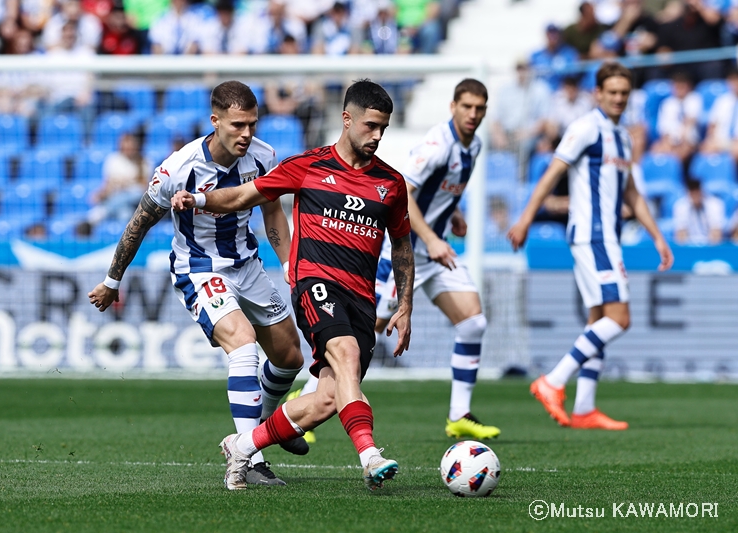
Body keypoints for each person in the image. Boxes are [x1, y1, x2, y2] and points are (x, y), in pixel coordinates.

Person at [171, 79, 415, 491]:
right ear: (347, 119)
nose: (377, 136)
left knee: (328, 399)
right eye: (370, 126)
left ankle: (243, 445)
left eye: (383, 129)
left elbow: (403, 246)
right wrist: (198, 199)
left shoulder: (390, 183)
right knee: (346, 354)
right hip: (315, 284)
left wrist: (405, 305)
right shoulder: (308, 166)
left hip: (361, 297)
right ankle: (370, 455)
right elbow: (243, 196)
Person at [88, 81, 307, 486]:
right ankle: (248, 458)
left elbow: (273, 211)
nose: (247, 133)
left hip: (247, 265)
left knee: (291, 357)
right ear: (215, 121)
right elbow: (139, 222)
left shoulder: (264, 156)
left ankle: (266, 427)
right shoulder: (178, 168)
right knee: (243, 345)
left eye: (252, 124)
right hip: (200, 269)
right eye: (238, 125)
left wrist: (288, 263)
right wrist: (111, 280)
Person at [288, 79, 501, 443]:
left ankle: (459, 414)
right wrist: (431, 238)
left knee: (473, 322)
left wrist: (452, 215)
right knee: (362, 332)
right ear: (453, 107)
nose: (473, 114)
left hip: (434, 253)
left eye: (480, 108)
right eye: (467, 106)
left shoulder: (474, 145)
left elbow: (439, 193)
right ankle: (304, 399)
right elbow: (405, 194)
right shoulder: (437, 145)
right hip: (407, 252)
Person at [508, 62, 674, 430]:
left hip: (607, 235)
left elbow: (633, 193)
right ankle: (552, 381)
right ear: (598, 93)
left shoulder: (623, 137)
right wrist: (525, 218)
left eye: (624, 93)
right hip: (591, 234)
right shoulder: (585, 128)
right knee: (620, 318)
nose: (618, 98)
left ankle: (584, 408)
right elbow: (552, 173)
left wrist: (658, 236)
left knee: (599, 318)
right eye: (612, 92)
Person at [673, 178, 725, 245]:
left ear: (702, 191)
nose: (695, 195)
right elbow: (681, 236)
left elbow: (716, 234)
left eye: (697, 191)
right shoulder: (680, 206)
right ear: (688, 193)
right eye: (692, 192)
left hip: (709, 246)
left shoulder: (715, 204)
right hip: (689, 247)